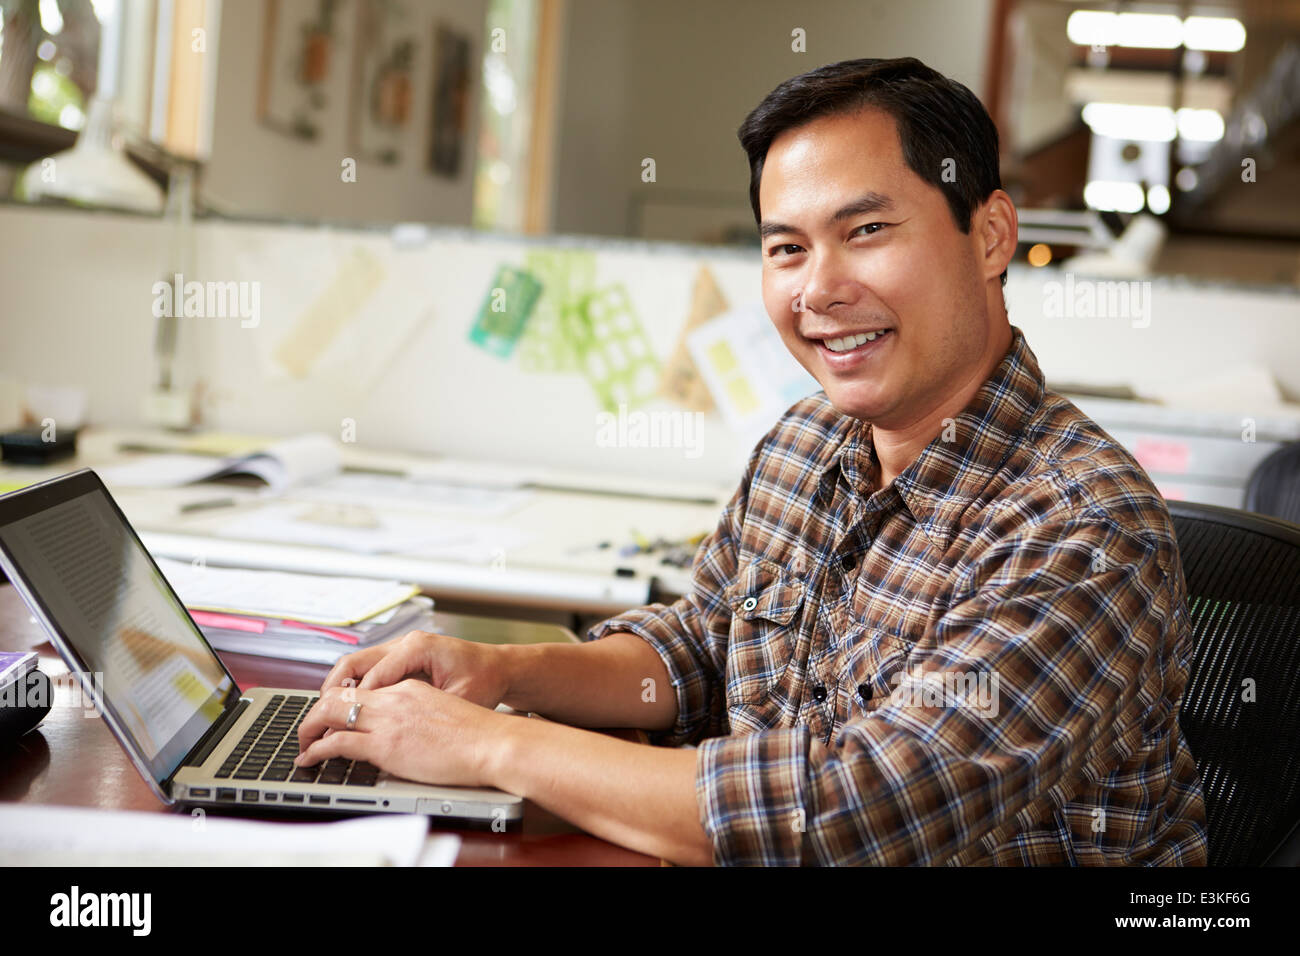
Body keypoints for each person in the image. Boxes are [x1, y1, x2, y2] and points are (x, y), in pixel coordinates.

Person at [295, 57, 1209, 867]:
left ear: (992, 236)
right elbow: (704, 652)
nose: (818, 290)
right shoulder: (804, 444)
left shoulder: (1083, 526)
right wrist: (504, 674)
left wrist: (489, 747)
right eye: (786, 249)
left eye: (867, 232)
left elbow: (852, 814)